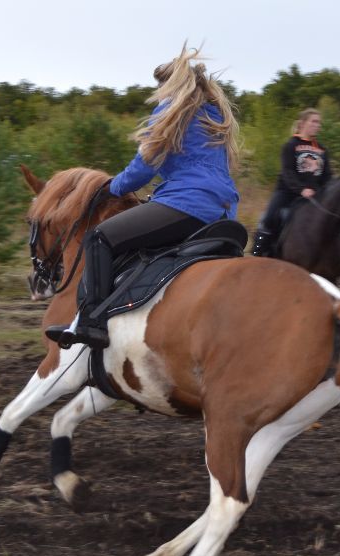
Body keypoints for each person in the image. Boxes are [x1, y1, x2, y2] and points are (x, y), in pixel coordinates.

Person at [46, 48, 240, 349]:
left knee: (99, 238)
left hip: (186, 205)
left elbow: (142, 169)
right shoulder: (215, 116)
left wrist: (113, 187)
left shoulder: (170, 111)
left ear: (170, 85)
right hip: (224, 212)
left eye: (160, 86)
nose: (158, 92)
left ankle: (91, 323)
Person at [250, 108, 332, 257]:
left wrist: (325, 191)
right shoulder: (291, 145)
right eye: (314, 121)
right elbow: (287, 172)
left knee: (335, 218)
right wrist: (302, 190)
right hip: (287, 192)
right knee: (269, 217)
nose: (317, 125)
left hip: (315, 194)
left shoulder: (322, 149)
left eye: (319, 122)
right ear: (302, 124)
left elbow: (327, 176)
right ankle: (258, 252)